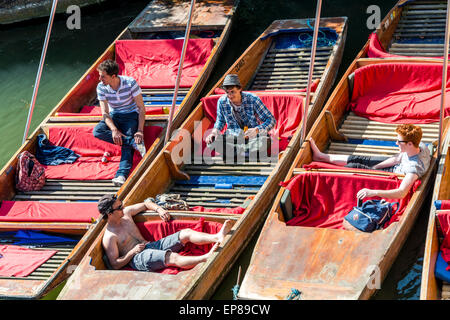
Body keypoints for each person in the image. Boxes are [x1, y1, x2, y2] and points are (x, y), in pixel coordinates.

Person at [98, 194, 232, 272]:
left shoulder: (126, 213)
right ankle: (205, 258)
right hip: (137, 258)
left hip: (150, 245)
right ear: (110, 214)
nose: (123, 208)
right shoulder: (110, 237)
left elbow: (146, 204)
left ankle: (217, 236)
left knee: (185, 233)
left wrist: (159, 210)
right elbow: (115, 264)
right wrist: (132, 252)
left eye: (122, 205)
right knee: (172, 257)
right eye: (119, 207)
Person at [309, 123, 431, 200]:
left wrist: (373, 192)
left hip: (394, 174)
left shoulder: (413, 169)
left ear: (409, 144)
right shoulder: (419, 145)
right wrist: (376, 167)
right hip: (396, 164)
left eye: (399, 141)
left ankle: (324, 163)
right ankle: (321, 156)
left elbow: (401, 193)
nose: (396, 143)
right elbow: (397, 158)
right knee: (360, 159)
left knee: (355, 166)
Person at [93, 59, 147, 186]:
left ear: (113, 76)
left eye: (103, 76)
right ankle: (131, 141)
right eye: (99, 75)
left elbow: (141, 108)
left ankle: (121, 175)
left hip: (131, 115)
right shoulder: (101, 87)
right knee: (97, 131)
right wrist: (114, 129)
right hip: (114, 115)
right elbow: (105, 113)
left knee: (125, 145)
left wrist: (140, 130)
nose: (100, 79)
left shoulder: (130, 83)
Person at [205, 74, 276, 158]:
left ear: (240, 89)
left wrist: (257, 130)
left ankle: (236, 153)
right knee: (211, 142)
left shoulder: (253, 99)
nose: (230, 96)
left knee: (265, 141)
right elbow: (220, 121)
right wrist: (215, 132)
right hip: (233, 136)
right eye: (227, 92)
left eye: (232, 92)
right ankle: (245, 153)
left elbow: (271, 120)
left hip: (252, 137)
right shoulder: (222, 101)